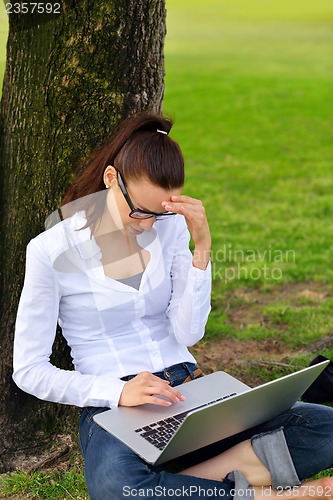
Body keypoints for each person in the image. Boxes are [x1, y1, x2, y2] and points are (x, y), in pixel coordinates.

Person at [13, 111, 333, 500]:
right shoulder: (51, 248)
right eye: (140, 211)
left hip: (188, 387)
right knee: (116, 485)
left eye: (160, 212)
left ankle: (207, 475)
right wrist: (117, 393)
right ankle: (259, 491)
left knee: (325, 427)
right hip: (114, 402)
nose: (149, 224)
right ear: (111, 179)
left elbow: (188, 333)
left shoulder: (170, 225)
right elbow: (29, 370)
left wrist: (202, 252)